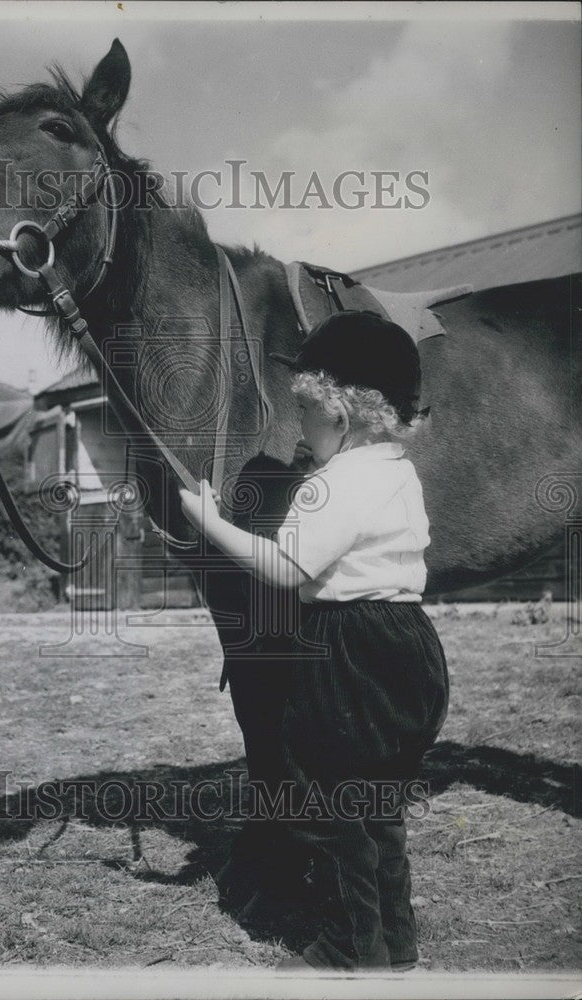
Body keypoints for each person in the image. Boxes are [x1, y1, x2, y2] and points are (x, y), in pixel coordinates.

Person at [179, 310, 450, 971]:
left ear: (340, 413)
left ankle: (347, 945)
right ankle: (392, 941)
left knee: (329, 807)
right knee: (377, 802)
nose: (296, 426)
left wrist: (210, 523)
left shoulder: (331, 485)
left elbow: (284, 569)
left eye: (303, 410)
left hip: (347, 650)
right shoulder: (397, 471)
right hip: (407, 644)